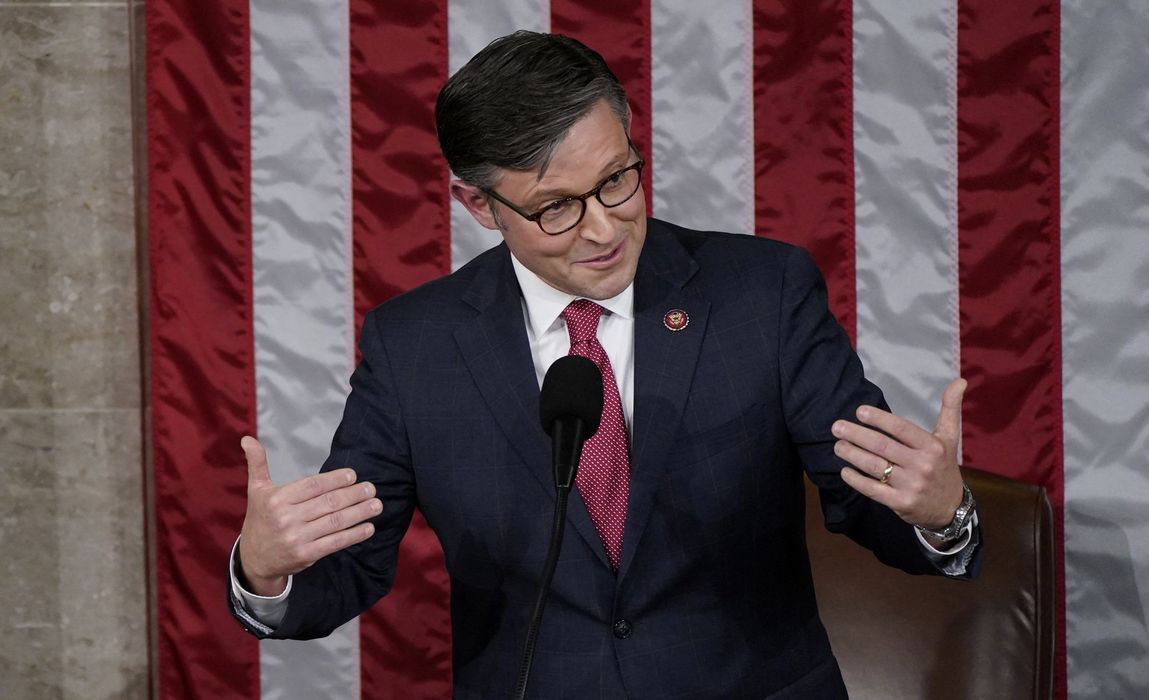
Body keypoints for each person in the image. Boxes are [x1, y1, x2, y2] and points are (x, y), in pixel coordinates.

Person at [227, 31, 981, 699]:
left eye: (617, 180)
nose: (602, 228)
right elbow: (349, 565)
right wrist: (266, 570)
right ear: (478, 205)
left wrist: (941, 514)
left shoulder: (761, 295)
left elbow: (871, 499)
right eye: (554, 208)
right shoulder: (414, 345)